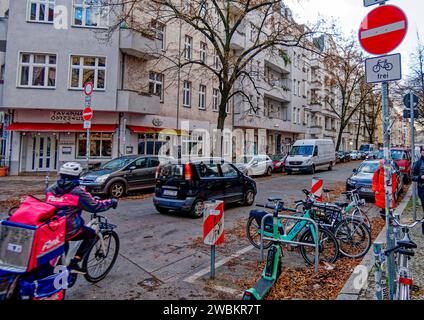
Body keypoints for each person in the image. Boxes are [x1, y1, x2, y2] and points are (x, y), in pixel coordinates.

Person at [45, 162, 118, 273]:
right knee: (91, 235)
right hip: (69, 228)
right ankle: (75, 261)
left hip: (52, 227)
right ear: (78, 176)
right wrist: (111, 202)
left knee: (63, 247)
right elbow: (95, 206)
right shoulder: (77, 191)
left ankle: (62, 266)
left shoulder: (51, 189)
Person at [412, 146, 424, 215]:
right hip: (422, 189)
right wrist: (420, 177)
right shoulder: (417, 163)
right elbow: (412, 177)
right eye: (423, 150)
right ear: (421, 152)